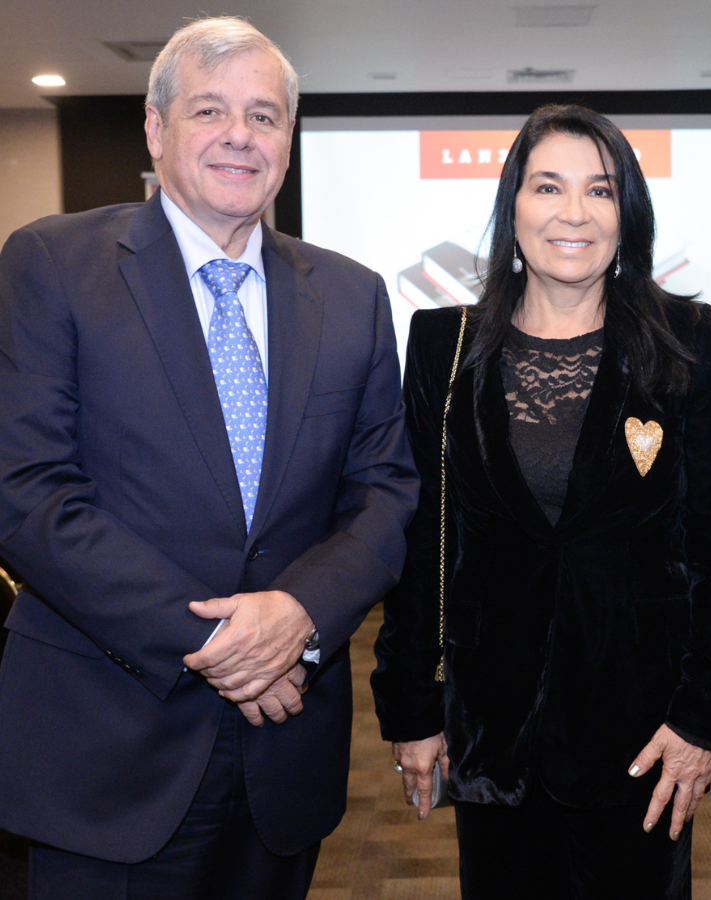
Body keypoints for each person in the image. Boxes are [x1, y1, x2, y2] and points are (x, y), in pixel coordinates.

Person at [0, 16, 418, 900]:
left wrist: (300, 615)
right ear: (156, 128)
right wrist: (224, 642)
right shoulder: (53, 262)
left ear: (289, 141)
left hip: (285, 751)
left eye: (265, 117)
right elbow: (28, 494)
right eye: (210, 110)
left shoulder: (352, 296)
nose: (240, 135)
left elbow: (385, 497)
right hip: (107, 753)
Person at [371, 104, 711, 899]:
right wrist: (412, 705)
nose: (572, 213)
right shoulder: (442, 344)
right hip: (492, 729)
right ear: (513, 206)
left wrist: (700, 717)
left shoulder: (683, 338)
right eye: (548, 187)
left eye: (600, 191)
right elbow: (420, 540)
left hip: (642, 738)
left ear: (627, 213)